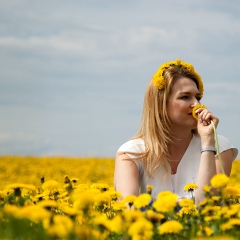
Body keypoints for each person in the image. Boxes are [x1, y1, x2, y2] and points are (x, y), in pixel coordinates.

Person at [114, 59, 238, 204]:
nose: (197, 105)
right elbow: (127, 213)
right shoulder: (131, 153)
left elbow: (208, 206)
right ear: (160, 106)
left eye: (198, 97)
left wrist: (208, 143)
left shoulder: (219, 147)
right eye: (185, 97)